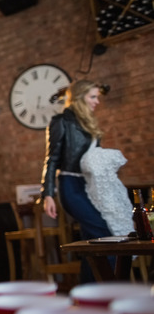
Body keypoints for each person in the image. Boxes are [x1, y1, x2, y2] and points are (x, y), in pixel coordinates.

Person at [40, 80, 115, 281]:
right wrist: (48, 194)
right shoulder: (61, 121)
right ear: (80, 97)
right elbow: (52, 159)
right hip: (71, 186)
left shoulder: (88, 122)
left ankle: (87, 294)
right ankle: (110, 288)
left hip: (90, 186)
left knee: (91, 242)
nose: (97, 101)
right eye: (93, 97)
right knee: (105, 234)